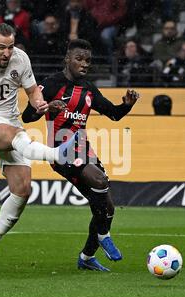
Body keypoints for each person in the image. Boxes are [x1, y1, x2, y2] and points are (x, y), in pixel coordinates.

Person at [0, 23, 77, 271]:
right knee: (16, 135)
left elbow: (32, 92)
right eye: (1, 47)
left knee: (22, 191)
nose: (7, 53)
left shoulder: (21, 59)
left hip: (11, 124)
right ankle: (56, 155)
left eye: (10, 47)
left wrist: (41, 104)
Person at [22, 39, 140, 271]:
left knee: (107, 207)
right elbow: (27, 117)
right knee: (99, 180)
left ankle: (86, 258)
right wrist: (47, 107)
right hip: (60, 150)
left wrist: (127, 105)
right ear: (67, 59)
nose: (84, 64)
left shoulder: (88, 89)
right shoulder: (51, 84)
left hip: (84, 149)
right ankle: (104, 235)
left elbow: (113, 115)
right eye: (79, 59)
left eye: (88, 60)